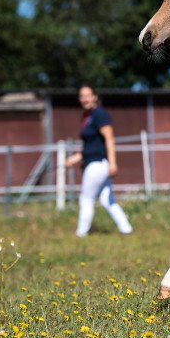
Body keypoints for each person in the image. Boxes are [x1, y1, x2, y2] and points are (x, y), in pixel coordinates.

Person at [65, 85, 133, 237]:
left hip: (98, 164)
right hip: (94, 162)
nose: (85, 99)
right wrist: (75, 158)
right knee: (106, 199)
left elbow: (109, 138)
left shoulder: (99, 114)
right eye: (82, 96)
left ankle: (81, 233)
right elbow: (90, 146)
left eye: (88, 95)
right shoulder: (87, 117)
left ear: (95, 96)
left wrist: (113, 163)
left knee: (86, 198)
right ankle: (126, 229)